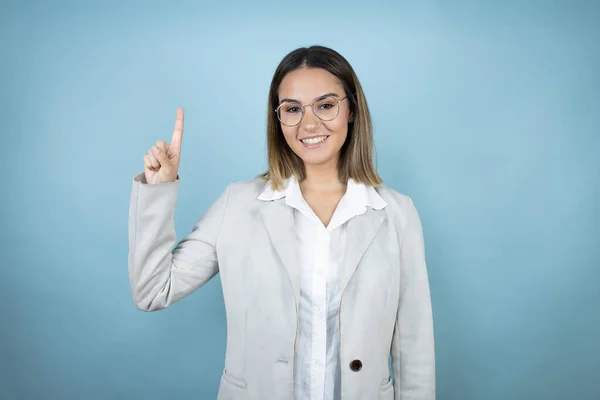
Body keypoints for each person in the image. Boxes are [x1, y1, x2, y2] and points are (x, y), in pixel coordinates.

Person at [128, 45, 435, 400]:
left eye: (325, 104)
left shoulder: (398, 213)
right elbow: (153, 291)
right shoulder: (238, 204)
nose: (309, 124)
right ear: (278, 119)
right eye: (292, 109)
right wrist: (159, 189)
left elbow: (415, 347)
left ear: (350, 109)